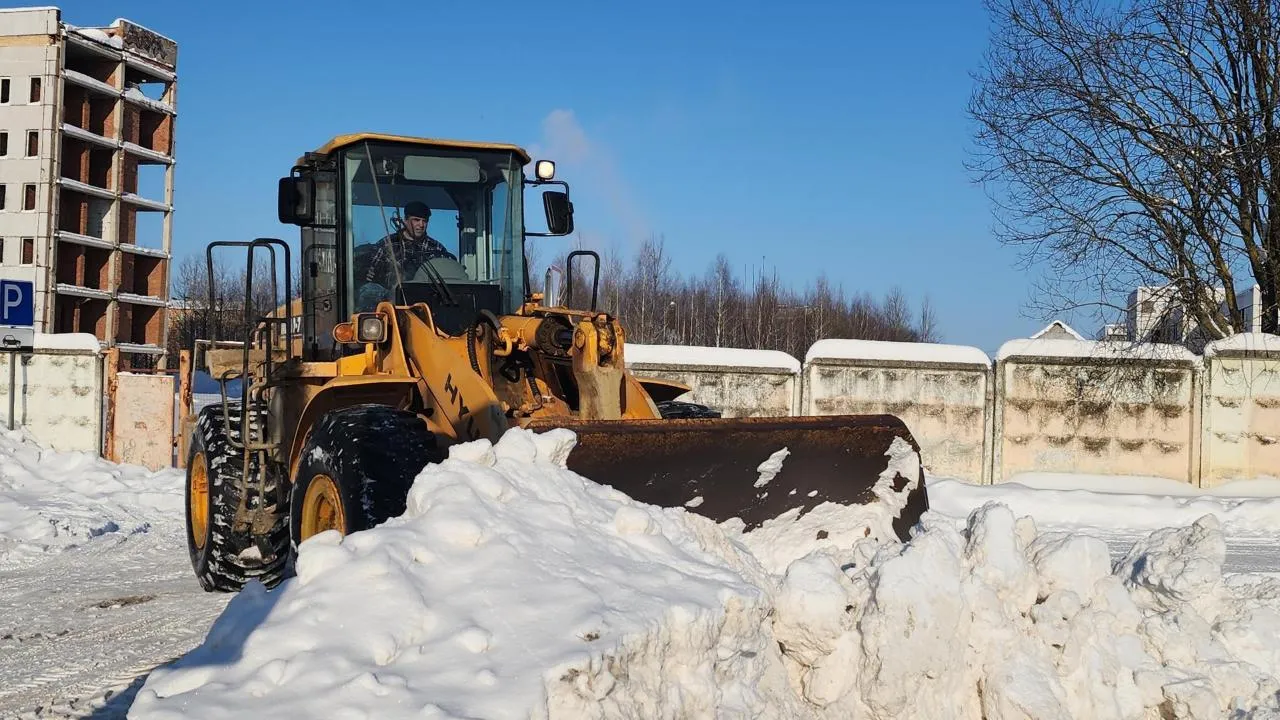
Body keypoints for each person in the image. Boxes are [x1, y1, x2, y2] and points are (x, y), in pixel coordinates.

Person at [355, 201, 467, 309]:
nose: (421, 225)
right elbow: (370, 276)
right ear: (405, 220)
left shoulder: (437, 248)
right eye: (416, 220)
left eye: (424, 221)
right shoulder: (387, 244)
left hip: (428, 301)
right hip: (393, 301)